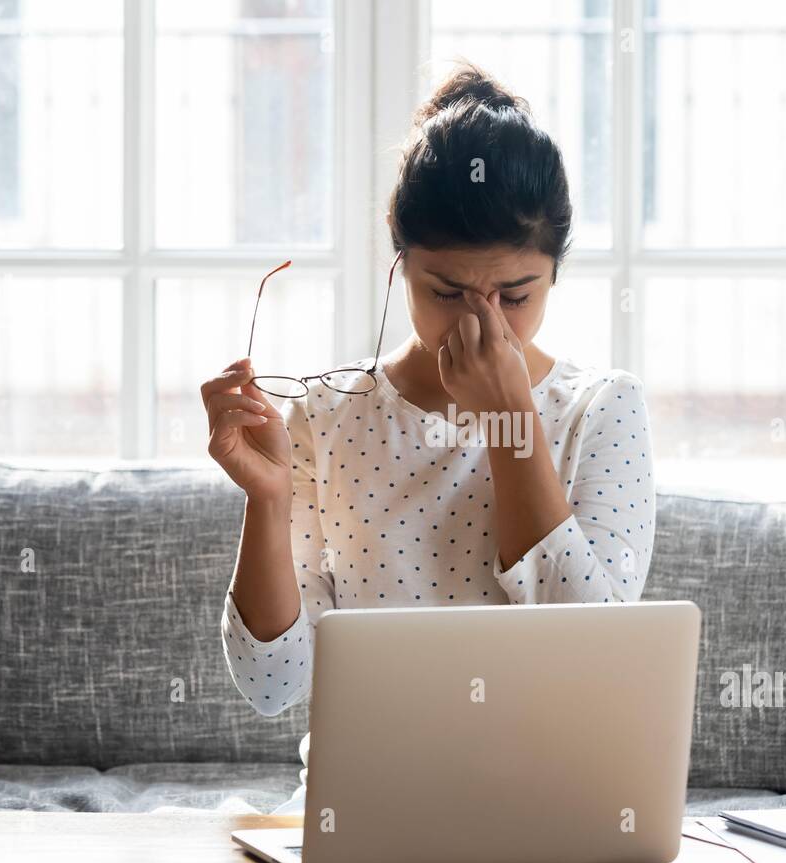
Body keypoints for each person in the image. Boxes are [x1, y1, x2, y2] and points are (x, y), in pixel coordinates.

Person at [201, 63, 656, 815]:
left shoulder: (603, 410)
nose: (482, 324)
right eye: (444, 292)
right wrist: (268, 500)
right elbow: (271, 686)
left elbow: (592, 658)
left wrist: (514, 423)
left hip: (548, 809)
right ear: (399, 262)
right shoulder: (325, 415)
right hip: (367, 810)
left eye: (516, 296)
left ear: (555, 274)